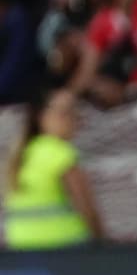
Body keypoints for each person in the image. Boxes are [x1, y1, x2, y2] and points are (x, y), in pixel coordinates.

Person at [4, 86, 104, 249]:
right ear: (41, 116)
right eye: (64, 113)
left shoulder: (22, 154)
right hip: (63, 246)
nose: (72, 119)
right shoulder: (60, 153)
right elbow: (86, 208)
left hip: (21, 246)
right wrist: (103, 244)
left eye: (75, 112)